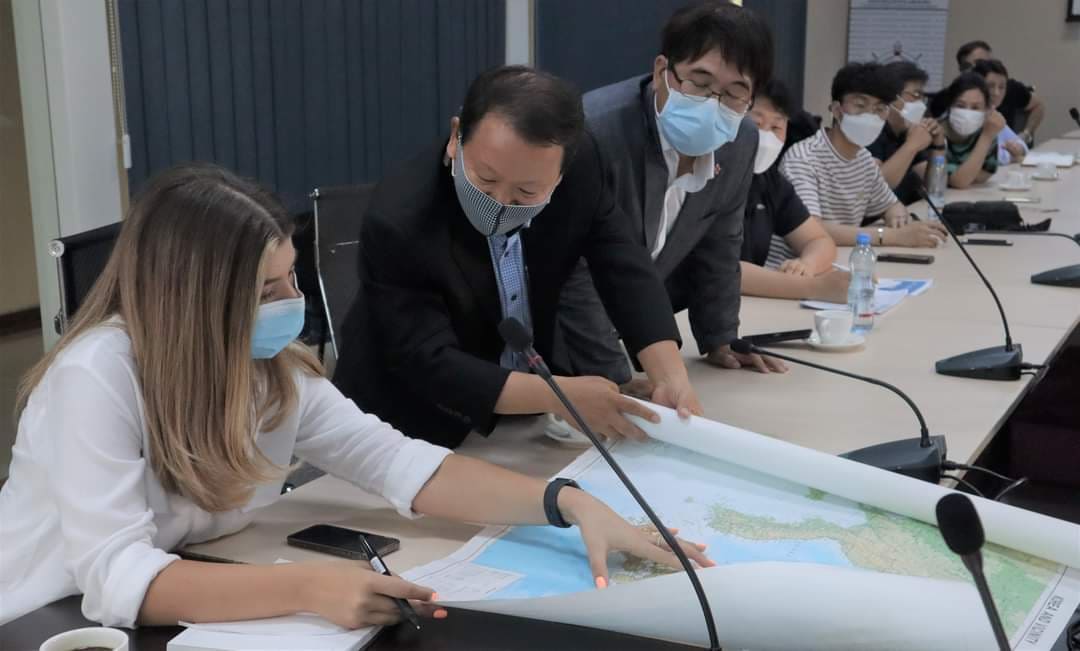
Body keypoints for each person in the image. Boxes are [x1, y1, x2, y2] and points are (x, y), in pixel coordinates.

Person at [0, 165, 710, 629]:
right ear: (193, 300)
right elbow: (116, 577)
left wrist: (565, 503)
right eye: (266, 289)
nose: (293, 302)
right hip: (48, 617)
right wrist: (309, 587)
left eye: (292, 277)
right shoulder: (97, 375)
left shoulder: (272, 370)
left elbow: (398, 462)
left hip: (182, 597)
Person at [332, 66, 703, 448]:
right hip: (403, 423)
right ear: (456, 137)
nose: (500, 203)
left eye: (526, 192)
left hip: (524, 415)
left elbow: (622, 263)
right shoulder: (400, 219)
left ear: (560, 175)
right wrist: (558, 396)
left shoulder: (582, 164)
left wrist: (669, 377)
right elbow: (426, 359)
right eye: (485, 180)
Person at [552, 0, 787, 380]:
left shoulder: (741, 140)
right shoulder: (595, 132)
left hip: (633, 336)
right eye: (700, 83)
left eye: (734, 93)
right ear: (663, 70)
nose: (713, 104)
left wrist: (720, 337)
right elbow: (572, 268)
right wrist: (612, 377)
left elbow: (721, 243)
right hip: (552, 345)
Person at [779, 62, 947, 252]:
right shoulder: (803, 158)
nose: (870, 115)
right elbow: (811, 229)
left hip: (840, 258)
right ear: (837, 110)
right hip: (795, 264)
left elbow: (891, 205)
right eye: (860, 105)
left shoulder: (864, 158)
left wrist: (899, 219)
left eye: (879, 109)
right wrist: (891, 236)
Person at [742, 78, 849, 303]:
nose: (766, 136)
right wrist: (813, 288)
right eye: (756, 123)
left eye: (776, 127)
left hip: (750, 305)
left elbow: (819, 240)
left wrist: (806, 265)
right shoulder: (711, 177)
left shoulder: (770, 181)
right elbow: (722, 269)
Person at [868, 61, 946, 206]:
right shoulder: (872, 129)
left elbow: (934, 188)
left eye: (922, 97)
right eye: (915, 95)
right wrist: (912, 145)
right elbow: (876, 187)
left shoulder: (908, 131)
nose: (920, 103)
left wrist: (938, 145)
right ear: (891, 97)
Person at [955, 40, 1044, 141]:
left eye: (982, 64)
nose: (996, 93)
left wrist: (1025, 134)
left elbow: (1038, 105)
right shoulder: (955, 97)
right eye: (967, 67)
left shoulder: (1009, 88)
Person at [935, 72, 1005, 189]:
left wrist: (966, 174)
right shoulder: (935, 133)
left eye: (975, 107)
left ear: (987, 109)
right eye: (960, 105)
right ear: (950, 105)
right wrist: (986, 137)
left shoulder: (986, 129)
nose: (967, 113)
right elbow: (959, 181)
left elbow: (986, 173)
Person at [971, 59, 1029, 165]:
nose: (996, 93)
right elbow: (986, 159)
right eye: (990, 86)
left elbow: (1021, 145)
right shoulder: (968, 116)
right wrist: (1011, 158)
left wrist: (1018, 149)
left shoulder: (994, 115)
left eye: (1001, 87)